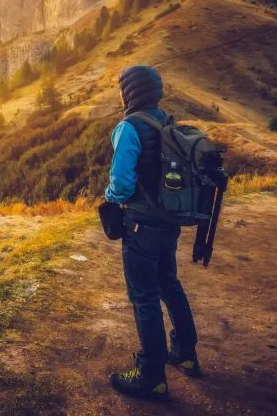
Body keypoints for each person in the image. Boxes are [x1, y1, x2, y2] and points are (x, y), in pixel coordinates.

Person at [105, 65, 201, 401]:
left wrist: (110, 198)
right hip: (168, 224)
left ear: (129, 93)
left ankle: (151, 375)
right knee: (169, 286)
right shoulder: (167, 122)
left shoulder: (129, 127)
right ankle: (186, 354)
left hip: (140, 226)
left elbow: (122, 183)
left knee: (144, 297)